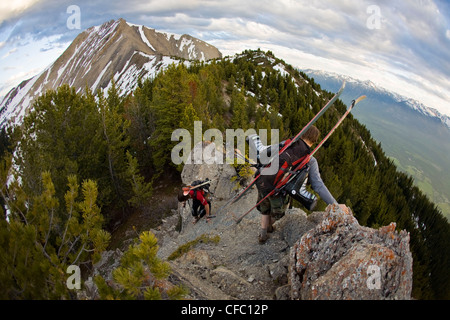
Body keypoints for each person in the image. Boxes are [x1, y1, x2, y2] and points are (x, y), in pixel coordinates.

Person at [254, 125, 338, 244]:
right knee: (277, 213)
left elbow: (266, 152)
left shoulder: (286, 144)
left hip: (262, 180)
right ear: (314, 141)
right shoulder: (310, 160)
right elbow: (318, 186)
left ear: (302, 134)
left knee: (264, 207)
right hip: (277, 190)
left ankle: (263, 233)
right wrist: (335, 204)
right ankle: (268, 227)